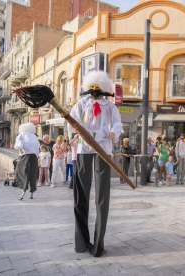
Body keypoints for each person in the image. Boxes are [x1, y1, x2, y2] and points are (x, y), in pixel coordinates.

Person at [68, 70, 122, 257]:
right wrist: (76, 129)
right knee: (81, 194)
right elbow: (72, 121)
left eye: (97, 91)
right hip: (84, 148)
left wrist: (114, 132)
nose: (94, 94)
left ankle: (98, 245)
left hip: (104, 149)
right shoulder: (82, 104)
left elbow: (117, 123)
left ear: (103, 91)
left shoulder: (110, 106)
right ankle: (81, 242)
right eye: (92, 91)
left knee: (102, 197)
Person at [14, 123, 40, 200]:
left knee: (21, 171)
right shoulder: (34, 136)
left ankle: (23, 189)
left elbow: (19, 144)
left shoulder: (21, 135)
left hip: (25, 154)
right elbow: (37, 146)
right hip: (34, 155)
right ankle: (32, 191)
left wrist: (20, 149)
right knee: (33, 172)